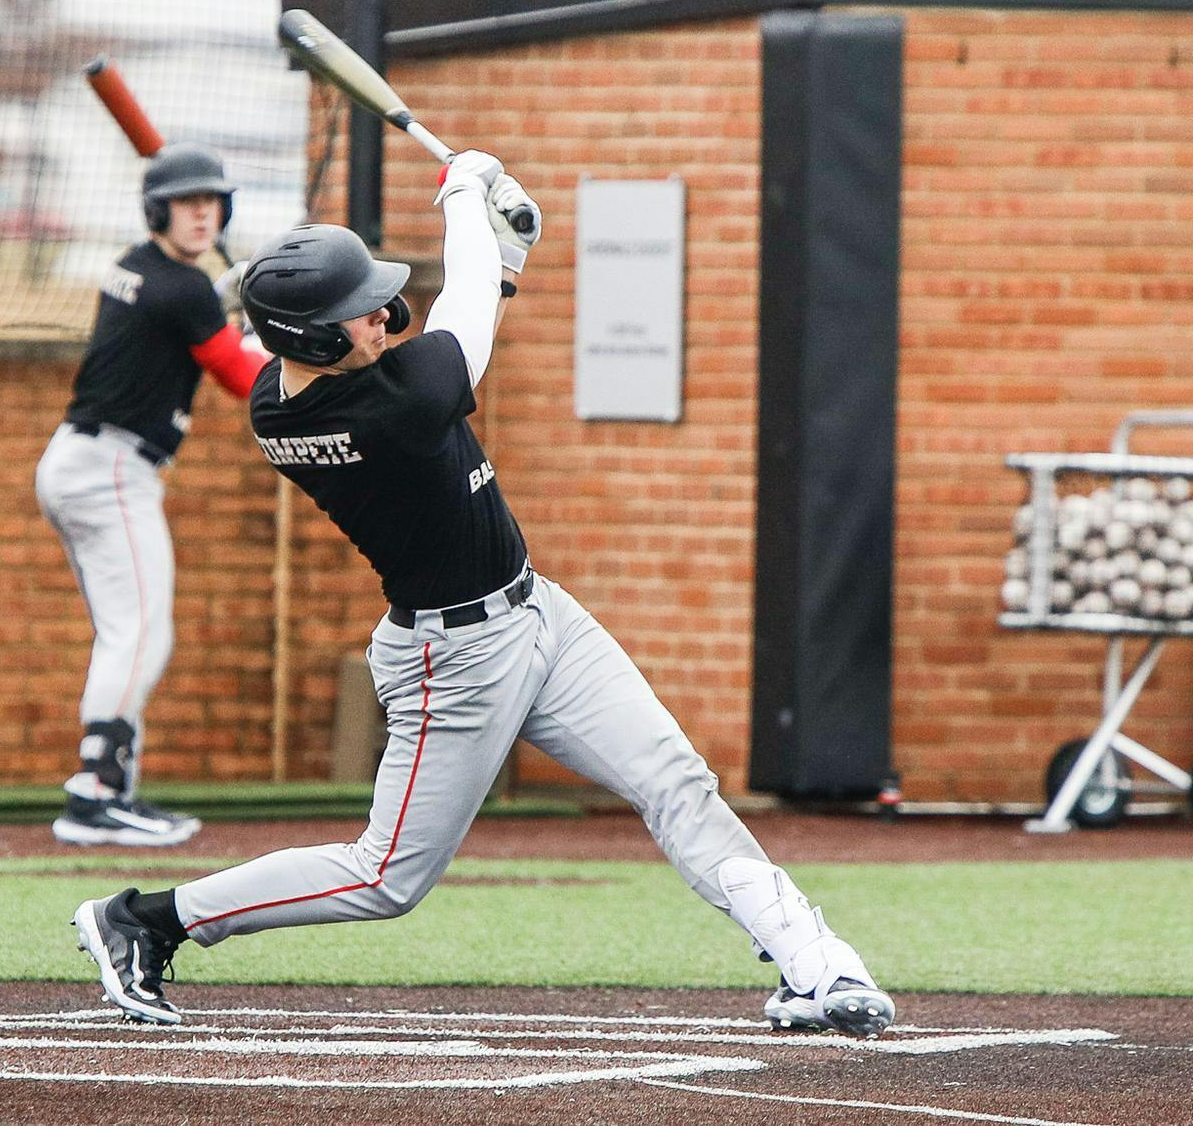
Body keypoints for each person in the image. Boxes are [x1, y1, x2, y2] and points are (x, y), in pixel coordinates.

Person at [71, 153, 897, 1039]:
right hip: (452, 661)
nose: (386, 317)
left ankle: (820, 967)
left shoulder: (294, 392)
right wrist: (466, 191)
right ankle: (149, 921)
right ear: (312, 341)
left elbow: (461, 312)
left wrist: (506, 261)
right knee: (385, 877)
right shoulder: (378, 410)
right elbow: (457, 315)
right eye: (361, 314)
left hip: (540, 613)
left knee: (675, 782)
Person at [36, 143, 269, 847]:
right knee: (140, 635)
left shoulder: (144, 267)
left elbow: (195, 332)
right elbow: (241, 378)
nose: (202, 213)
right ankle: (95, 792)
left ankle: (112, 790)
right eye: (186, 202)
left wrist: (239, 317)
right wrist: (288, 336)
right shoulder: (182, 287)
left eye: (211, 202)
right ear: (157, 209)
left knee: (126, 633)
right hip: (110, 468)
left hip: (81, 460)